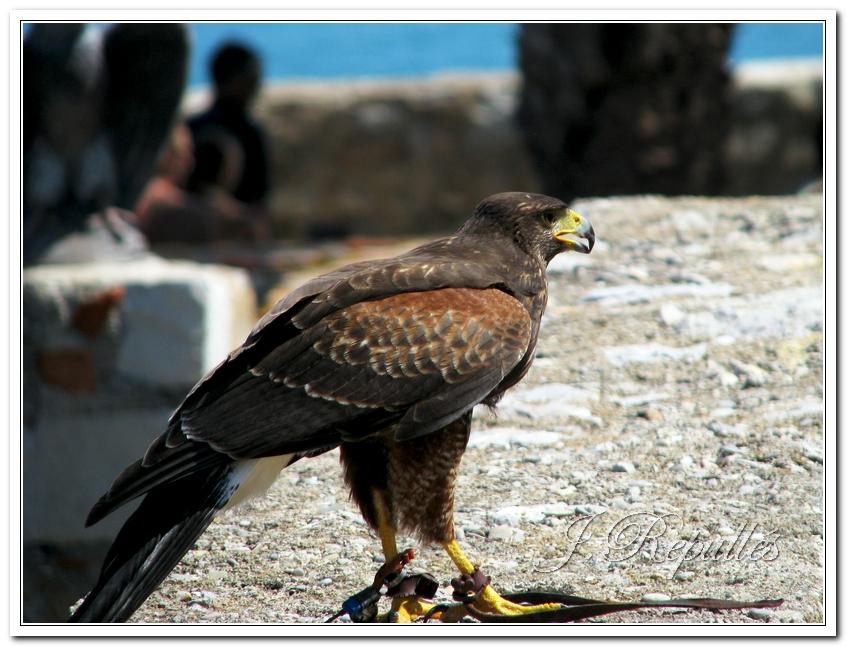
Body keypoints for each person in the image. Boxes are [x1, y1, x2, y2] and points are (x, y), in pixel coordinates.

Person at [187, 42, 270, 208]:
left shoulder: (192, 127)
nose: (256, 86)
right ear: (230, 80)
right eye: (251, 78)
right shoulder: (251, 134)